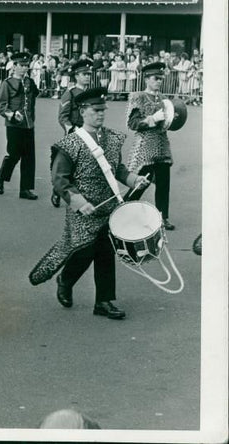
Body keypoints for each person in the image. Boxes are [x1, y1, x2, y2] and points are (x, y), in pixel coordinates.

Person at [30, 88, 149, 320]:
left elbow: (118, 169)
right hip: (82, 210)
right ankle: (65, 280)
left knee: (105, 251)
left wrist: (135, 179)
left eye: (103, 110)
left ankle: (103, 301)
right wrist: (77, 201)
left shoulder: (113, 138)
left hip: (108, 207)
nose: (101, 115)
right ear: (83, 111)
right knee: (84, 250)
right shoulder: (70, 143)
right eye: (96, 111)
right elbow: (59, 178)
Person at [125, 62, 176, 230]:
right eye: (156, 78)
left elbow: (169, 123)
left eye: (161, 78)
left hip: (162, 146)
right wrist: (152, 119)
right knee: (141, 183)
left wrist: (172, 120)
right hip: (145, 147)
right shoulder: (138, 97)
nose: (159, 81)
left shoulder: (164, 99)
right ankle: (122, 211)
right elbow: (132, 123)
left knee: (163, 184)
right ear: (147, 79)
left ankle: (163, 217)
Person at [0, 52, 40, 200]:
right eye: (21, 65)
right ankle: (1, 176)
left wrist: (31, 118)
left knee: (28, 156)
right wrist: (11, 114)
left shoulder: (29, 82)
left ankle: (25, 189)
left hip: (28, 124)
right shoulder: (7, 83)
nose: (24, 68)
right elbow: (0, 105)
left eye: (26, 65)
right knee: (14, 154)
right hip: (14, 124)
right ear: (14, 66)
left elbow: (32, 100)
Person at [51, 58, 93, 207]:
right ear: (76, 76)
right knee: (68, 167)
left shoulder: (90, 93)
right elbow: (62, 117)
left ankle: (81, 198)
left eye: (89, 74)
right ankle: (57, 191)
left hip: (89, 133)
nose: (87, 76)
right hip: (74, 133)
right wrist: (71, 128)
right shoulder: (70, 93)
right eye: (84, 74)